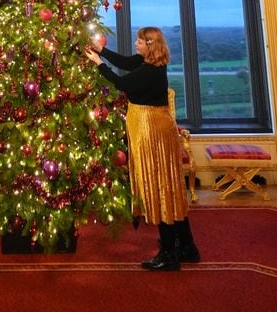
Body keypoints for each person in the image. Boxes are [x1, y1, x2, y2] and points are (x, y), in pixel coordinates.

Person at [85, 26, 200, 271]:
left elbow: (121, 82)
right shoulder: (151, 63)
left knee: (159, 186)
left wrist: (98, 63)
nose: (135, 44)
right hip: (157, 127)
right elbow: (126, 63)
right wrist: (101, 50)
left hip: (151, 131)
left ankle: (169, 254)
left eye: (139, 41)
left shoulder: (150, 71)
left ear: (150, 45)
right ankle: (187, 246)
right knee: (169, 187)